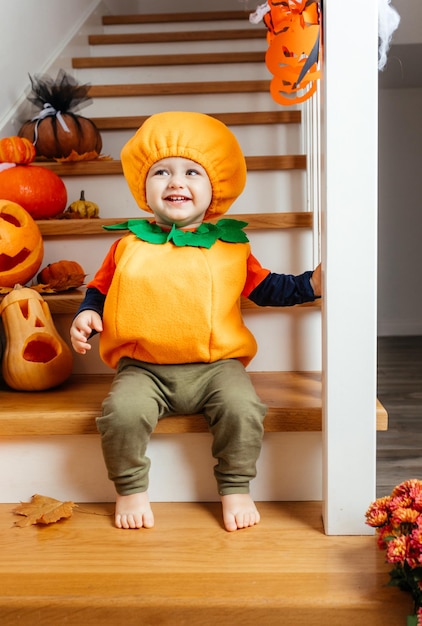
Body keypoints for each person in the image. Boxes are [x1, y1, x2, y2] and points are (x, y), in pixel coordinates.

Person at [70, 111, 322, 532]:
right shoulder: (127, 246)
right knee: (121, 414)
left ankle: (236, 486)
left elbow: (266, 288)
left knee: (244, 409)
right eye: (161, 172)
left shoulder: (231, 247)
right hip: (143, 368)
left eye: (192, 172)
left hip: (216, 368)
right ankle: (130, 487)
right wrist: (87, 313)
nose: (175, 182)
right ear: (142, 186)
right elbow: (98, 289)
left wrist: (310, 284)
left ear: (215, 188)